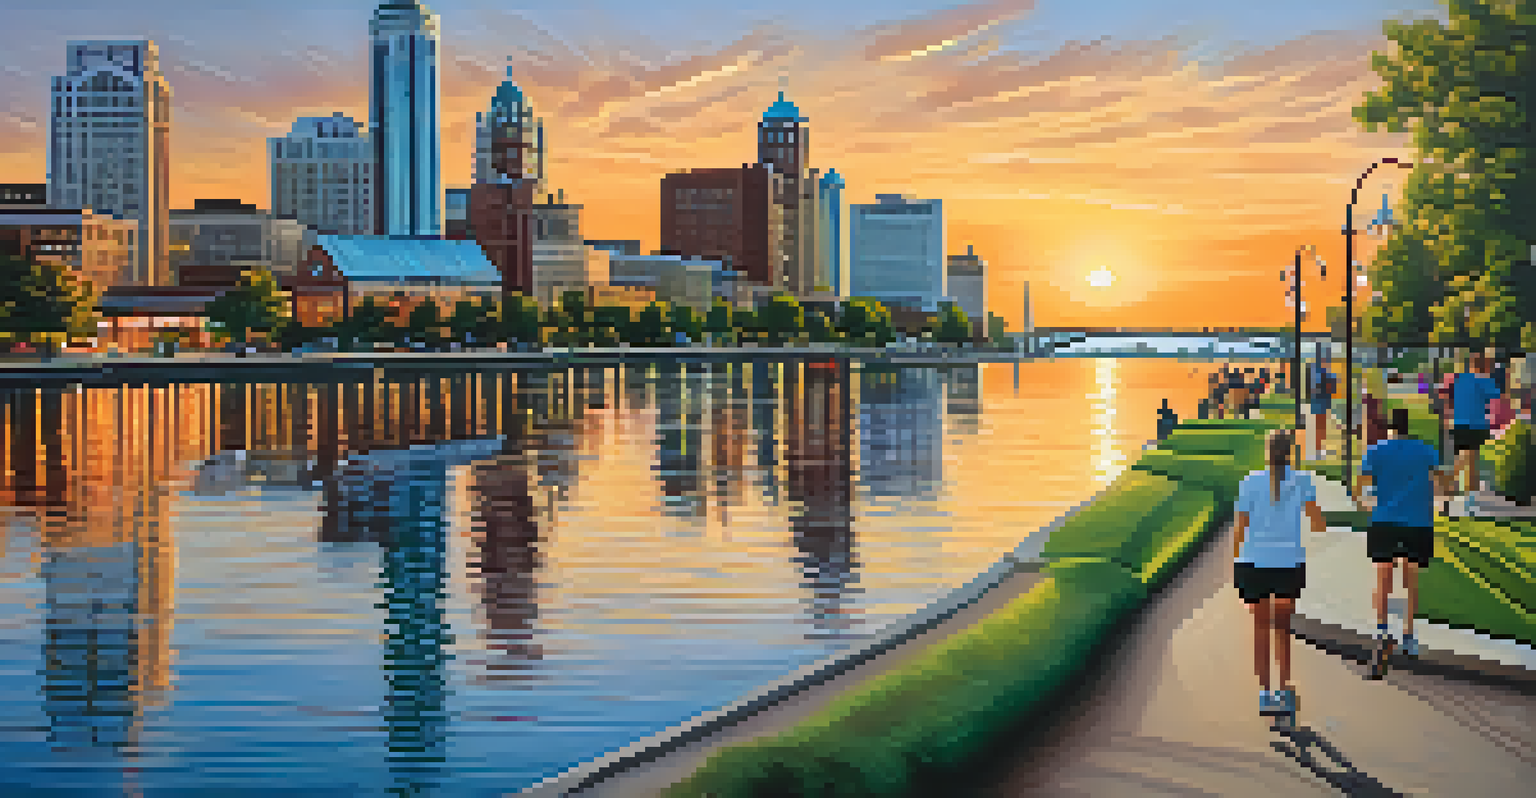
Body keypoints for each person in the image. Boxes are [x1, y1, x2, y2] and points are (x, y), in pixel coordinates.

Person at [1234, 428, 1326, 717]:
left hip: (1253, 564)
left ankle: (1264, 693)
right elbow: (1318, 523)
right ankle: (1284, 690)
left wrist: (1236, 560)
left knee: (1260, 629)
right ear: (1290, 452)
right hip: (1287, 564)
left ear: (1267, 452)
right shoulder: (1302, 481)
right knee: (1282, 630)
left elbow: (1239, 530)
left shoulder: (1250, 482)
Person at [1356, 408, 1446, 659]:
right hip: (1418, 521)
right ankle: (1409, 635)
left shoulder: (1375, 451)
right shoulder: (1426, 451)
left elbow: (1359, 488)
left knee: (1383, 577)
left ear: (1389, 427)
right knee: (1411, 580)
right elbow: (1443, 485)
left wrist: (1367, 505)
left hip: (1384, 521)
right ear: (1409, 427)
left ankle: (1382, 630)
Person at [1448, 352, 1502, 515]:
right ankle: (1469, 501)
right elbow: (1497, 396)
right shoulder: (1484, 381)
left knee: (1461, 462)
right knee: (1472, 463)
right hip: (1476, 425)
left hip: (1458, 424)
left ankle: (1449, 493)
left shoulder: (1460, 379)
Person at [1309, 357, 1337, 458]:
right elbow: (1330, 388)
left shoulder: (1321, 373)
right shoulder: (1320, 374)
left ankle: (1319, 449)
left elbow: (1333, 388)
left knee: (1321, 427)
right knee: (1320, 427)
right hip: (1319, 403)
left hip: (1322, 403)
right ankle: (1318, 450)